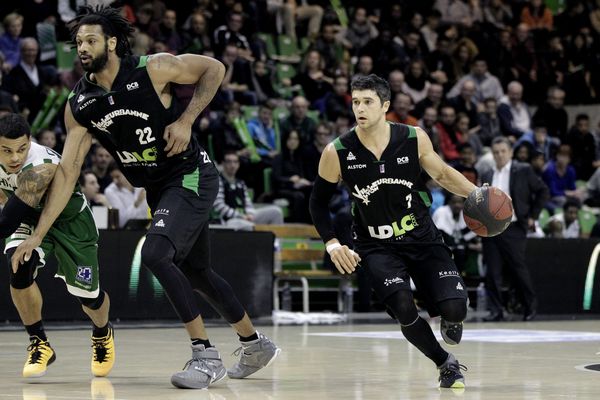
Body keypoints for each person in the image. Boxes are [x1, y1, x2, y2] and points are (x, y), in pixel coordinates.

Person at [11, 6, 279, 390]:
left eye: (90, 40)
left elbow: (214, 69)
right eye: (78, 42)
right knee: (196, 272)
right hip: (157, 186)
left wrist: (186, 120)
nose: (82, 48)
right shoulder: (81, 104)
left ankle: (205, 355)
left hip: (190, 174)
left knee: (155, 254)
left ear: (113, 42)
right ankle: (255, 344)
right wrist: (37, 234)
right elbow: (68, 173)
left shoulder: (153, 68)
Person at [309, 74, 478, 389]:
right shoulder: (338, 151)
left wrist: (477, 195)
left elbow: (441, 172)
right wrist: (332, 244)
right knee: (402, 307)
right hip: (376, 245)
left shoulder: (414, 137)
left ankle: (447, 312)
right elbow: (318, 203)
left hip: (422, 237)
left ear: (385, 105)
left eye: (368, 101)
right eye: (356, 101)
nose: (360, 108)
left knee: (455, 308)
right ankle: (445, 364)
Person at [0, 113, 114, 379]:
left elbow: (5, 223)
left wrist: (38, 235)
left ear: (30, 142)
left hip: (69, 222)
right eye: (6, 150)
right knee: (19, 266)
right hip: (27, 218)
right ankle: (39, 342)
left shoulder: (41, 165)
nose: (15, 157)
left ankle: (102, 332)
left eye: (21, 149)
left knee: (89, 298)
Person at [480, 137, 548, 322]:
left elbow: (543, 191)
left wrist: (532, 215)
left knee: (518, 269)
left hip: (514, 227)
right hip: (491, 228)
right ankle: (496, 311)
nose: (499, 155)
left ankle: (529, 308)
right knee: (492, 271)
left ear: (510, 152)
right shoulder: (486, 173)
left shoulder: (523, 170)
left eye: (503, 151)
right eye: (496, 152)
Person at [213, 151, 284, 230]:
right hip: (230, 220)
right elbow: (219, 206)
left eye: (235, 162)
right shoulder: (218, 181)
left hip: (246, 217)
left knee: (276, 212)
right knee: (246, 225)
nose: (232, 165)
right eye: (229, 162)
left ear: (238, 164)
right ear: (223, 163)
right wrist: (241, 216)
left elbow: (248, 203)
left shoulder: (241, 183)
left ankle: (276, 242)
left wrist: (250, 214)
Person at [104, 162, 149, 228]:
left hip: (148, 227)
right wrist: (136, 204)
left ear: (126, 173)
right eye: (112, 178)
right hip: (127, 231)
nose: (115, 181)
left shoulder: (141, 183)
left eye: (117, 177)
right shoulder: (110, 191)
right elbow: (122, 221)